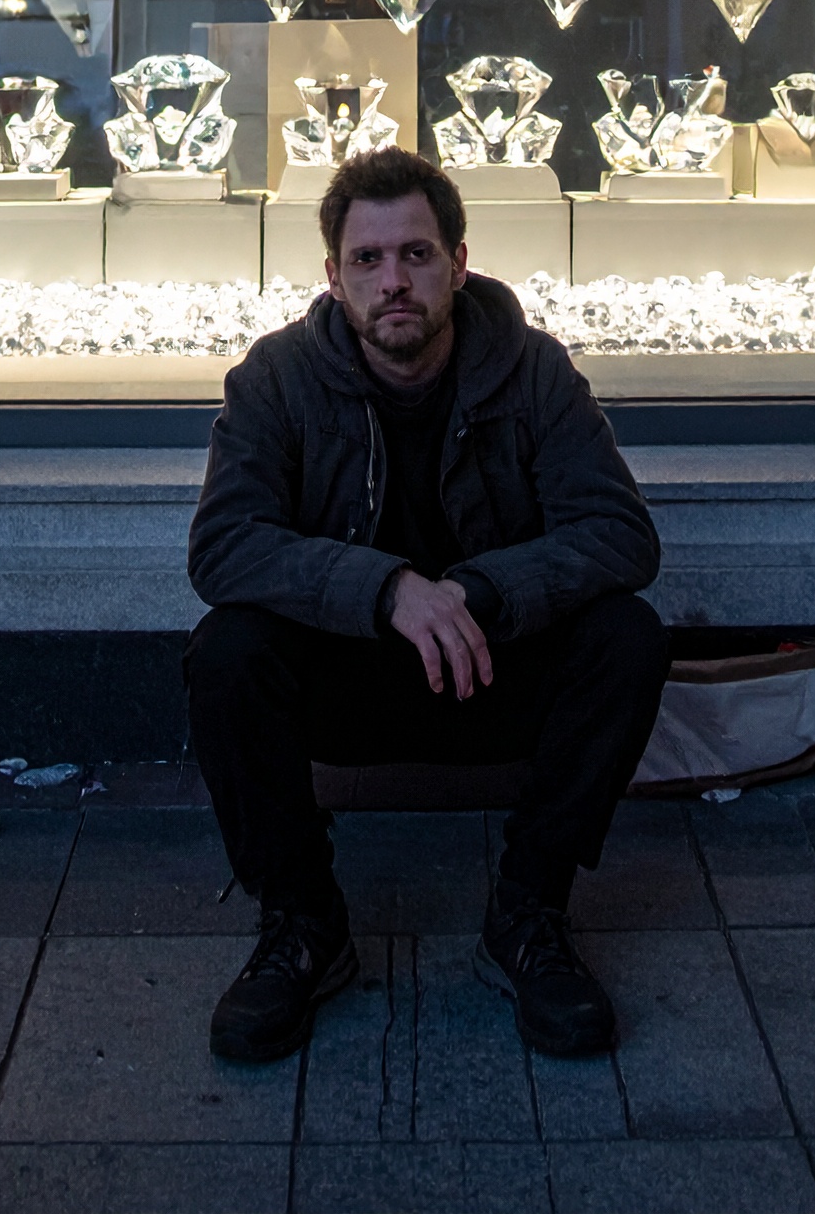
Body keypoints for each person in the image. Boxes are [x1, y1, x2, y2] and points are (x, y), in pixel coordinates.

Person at [185, 144, 670, 1064]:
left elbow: (620, 534)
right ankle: (302, 925)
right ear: (333, 278)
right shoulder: (276, 379)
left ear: (457, 262)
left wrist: (481, 590)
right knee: (227, 652)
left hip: (494, 672)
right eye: (367, 260)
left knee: (626, 637)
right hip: (346, 680)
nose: (393, 280)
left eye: (415, 254)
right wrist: (385, 590)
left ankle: (529, 914)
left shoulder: (533, 372)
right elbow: (223, 547)